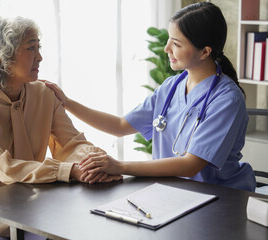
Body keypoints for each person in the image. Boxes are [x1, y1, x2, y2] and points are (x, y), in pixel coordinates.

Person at [44, 2, 256, 192]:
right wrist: (68, 103)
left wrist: (119, 166)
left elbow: (191, 165)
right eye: (169, 40)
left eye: (177, 44)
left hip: (220, 198)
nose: (166, 49)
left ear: (204, 52)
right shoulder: (172, 87)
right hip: (172, 191)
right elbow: (120, 125)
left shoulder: (227, 100)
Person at [0, 16, 122, 240]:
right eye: (31, 48)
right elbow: (4, 168)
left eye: (39, 47)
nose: (40, 57)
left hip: (30, 207)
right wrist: (69, 171)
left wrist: (93, 161)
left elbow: (71, 144)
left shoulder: (44, 94)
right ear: (2, 57)